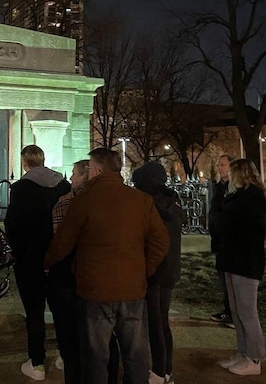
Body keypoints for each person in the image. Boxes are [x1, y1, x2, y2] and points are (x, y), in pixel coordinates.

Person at [45, 148, 170, 384]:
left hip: (95, 290)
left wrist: (47, 263)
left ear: (98, 170)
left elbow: (63, 241)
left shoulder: (84, 201)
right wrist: (145, 268)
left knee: (96, 357)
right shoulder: (140, 200)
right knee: (135, 356)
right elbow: (161, 241)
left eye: (90, 168)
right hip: (132, 288)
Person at [5, 144, 72, 381]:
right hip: (59, 258)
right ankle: (65, 356)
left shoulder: (21, 188)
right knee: (61, 311)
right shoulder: (63, 185)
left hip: (30, 261)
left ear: (25, 162)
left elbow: (13, 226)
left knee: (34, 313)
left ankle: (37, 363)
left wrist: (18, 253)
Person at [215, 159, 266, 376]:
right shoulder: (237, 198)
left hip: (245, 262)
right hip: (233, 259)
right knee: (237, 311)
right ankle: (243, 351)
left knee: (247, 312)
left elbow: (230, 224)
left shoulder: (253, 200)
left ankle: (254, 357)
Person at [131, 161, 182, 384]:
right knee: (161, 321)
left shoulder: (146, 204)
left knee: (154, 322)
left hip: (152, 270)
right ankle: (166, 369)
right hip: (169, 269)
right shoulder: (172, 203)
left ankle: (159, 371)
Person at [46, 159, 89, 384]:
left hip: (67, 275)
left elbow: (60, 241)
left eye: (74, 173)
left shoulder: (65, 203)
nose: (71, 177)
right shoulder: (107, 201)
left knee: (69, 332)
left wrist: (48, 263)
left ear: (85, 175)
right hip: (95, 274)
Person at [208, 154, 233, 327]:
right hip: (220, 240)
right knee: (223, 278)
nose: (219, 168)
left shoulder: (232, 189)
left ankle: (232, 313)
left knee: (230, 280)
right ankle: (228, 310)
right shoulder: (219, 187)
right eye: (218, 165)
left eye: (222, 165)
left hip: (228, 240)